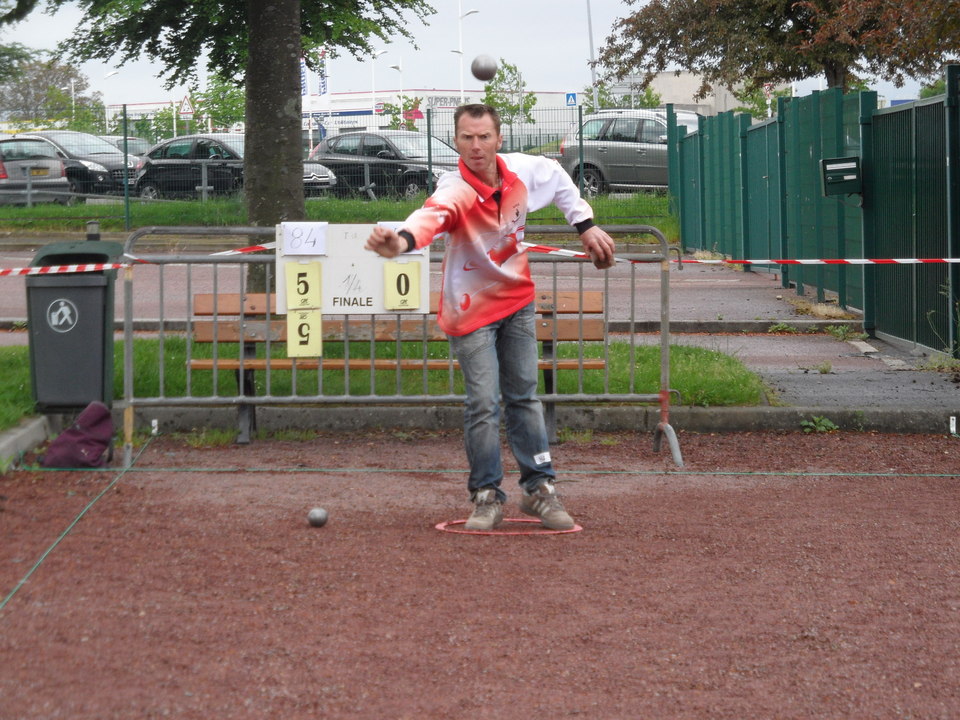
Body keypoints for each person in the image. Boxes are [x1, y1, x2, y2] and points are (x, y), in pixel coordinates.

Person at [365, 103, 615, 531]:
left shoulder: (523, 171)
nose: (476, 146)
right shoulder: (454, 189)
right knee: (484, 402)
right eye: (466, 137)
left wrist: (586, 224)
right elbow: (430, 217)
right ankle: (485, 494)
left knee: (524, 397)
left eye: (484, 137)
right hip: (470, 311)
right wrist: (401, 242)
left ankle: (539, 489)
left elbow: (558, 179)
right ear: (456, 141)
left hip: (517, 301)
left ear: (499, 139)